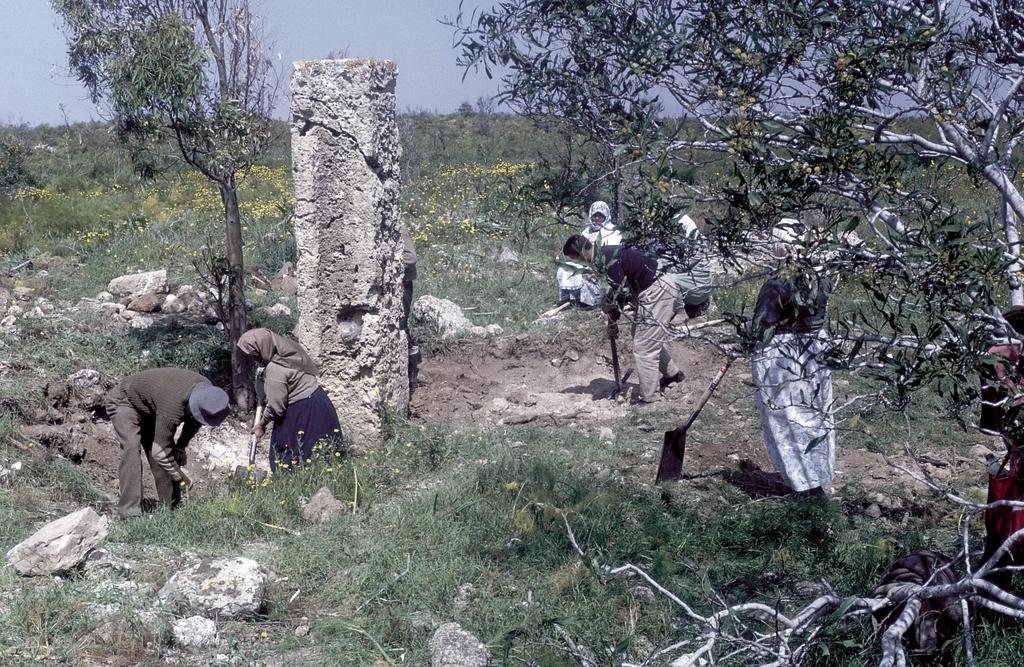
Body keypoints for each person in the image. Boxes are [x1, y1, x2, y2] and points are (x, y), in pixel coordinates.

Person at [749, 221, 835, 495]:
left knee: (787, 419)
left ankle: (802, 486)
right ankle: (814, 480)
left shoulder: (778, 284)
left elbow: (760, 328)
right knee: (812, 416)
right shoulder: (820, 276)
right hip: (814, 352)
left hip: (783, 358)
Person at [563, 234, 685, 403]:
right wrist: (613, 318)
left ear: (581, 253)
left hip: (657, 289)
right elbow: (618, 289)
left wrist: (613, 314)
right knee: (641, 335)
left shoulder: (605, 259)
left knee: (644, 347)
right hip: (652, 289)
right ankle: (673, 375)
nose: (579, 263)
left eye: (576, 259)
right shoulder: (603, 255)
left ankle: (650, 399)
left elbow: (620, 290)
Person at [105, 368, 229, 519]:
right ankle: (129, 513)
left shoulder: (206, 393)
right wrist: (183, 479)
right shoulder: (174, 402)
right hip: (125, 402)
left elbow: (194, 421)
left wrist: (181, 447)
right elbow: (160, 452)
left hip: (151, 408)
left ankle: (171, 510)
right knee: (132, 448)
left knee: (167, 454)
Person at [237, 328, 343, 471]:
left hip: (303, 411)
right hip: (319, 402)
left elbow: (276, 407)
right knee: (323, 451)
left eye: (253, 355)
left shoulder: (275, 369)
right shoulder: (287, 351)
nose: (252, 359)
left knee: (287, 456)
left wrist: (261, 424)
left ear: (262, 349)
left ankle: (293, 486)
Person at [664, 213, 713, 320]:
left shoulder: (698, 242)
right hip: (688, 282)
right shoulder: (678, 243)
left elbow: (681, 266)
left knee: (668, 279)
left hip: (700, 283)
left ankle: (681, 312)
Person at [400, 225, 421, 388]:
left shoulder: (400, 230)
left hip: (404, 286)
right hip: (396, 286)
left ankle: (412, 367)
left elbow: (411, 258)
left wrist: (387, 259)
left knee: (402, 325)